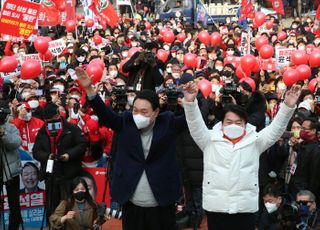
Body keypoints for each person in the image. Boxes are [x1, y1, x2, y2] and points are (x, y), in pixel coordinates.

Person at [76, 67, 187, 230]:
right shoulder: (126, 122)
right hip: (132, 202)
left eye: (144, 111)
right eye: (135, 110)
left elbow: (192, 121)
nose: (138, 115)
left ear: (155, 112)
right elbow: (104, 113)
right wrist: (89, 89)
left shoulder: (168, 122)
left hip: (162, 202)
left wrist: (190, 103)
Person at [183, 82, 301, 230]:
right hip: (216, 208)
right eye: (229, 122)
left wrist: (287, 106)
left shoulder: (255, 141)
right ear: (222, 123)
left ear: (245, 124)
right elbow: (195, 124)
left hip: (245, 208)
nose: (233, 125)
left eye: (239, 122)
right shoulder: (209, 139)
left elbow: (275, 129)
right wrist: (189, 102)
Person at [33, 102, 87, 219]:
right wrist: (47, 156)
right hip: (51, 174)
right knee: (52, 205)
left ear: (58, 115)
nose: (50, 122)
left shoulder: (71, 128)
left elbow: (82, 144)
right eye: (47, 120)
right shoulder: (43, 131)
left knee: (68, 203)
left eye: (53, 119)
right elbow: (36, 151)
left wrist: (69, 155)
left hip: (69, 173)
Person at [0, 100, 23, 230]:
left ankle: (14, 227)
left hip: (11, 171)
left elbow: (16, 143)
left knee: (14, 204)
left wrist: (4, 134)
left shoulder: (11, 127)